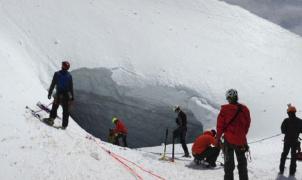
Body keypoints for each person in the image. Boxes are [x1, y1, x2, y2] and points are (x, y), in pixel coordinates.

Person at [216, 89, 251, 180]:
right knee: (242, 164)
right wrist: (242, 135)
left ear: (228, 98)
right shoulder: (245, 109)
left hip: (229, 140)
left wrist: (217, 138)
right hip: (241, 141)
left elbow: (220, 126)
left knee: (228, 165)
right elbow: (247, 124)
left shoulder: (225, 110)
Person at [45, 61, 74, 129]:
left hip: (59, 94)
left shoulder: (57, 74)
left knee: (55, 107)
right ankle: (64, 125)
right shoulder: (69, 76)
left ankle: (51, 120)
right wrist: (72, 97)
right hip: (66, 95)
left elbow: (53, 84)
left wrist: (50, 93)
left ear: (62, 66)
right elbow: (70, 87)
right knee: (66, 111)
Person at [279, 104, 302, 176]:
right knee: (293, 156)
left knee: (284, 154)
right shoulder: (300, 121)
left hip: (287, 141)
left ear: (288, 113)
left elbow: (283, 130)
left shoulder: (286, 120)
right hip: (295, 141)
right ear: (295, 112)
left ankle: (281, 169)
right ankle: (292, 171)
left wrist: (288, 131)